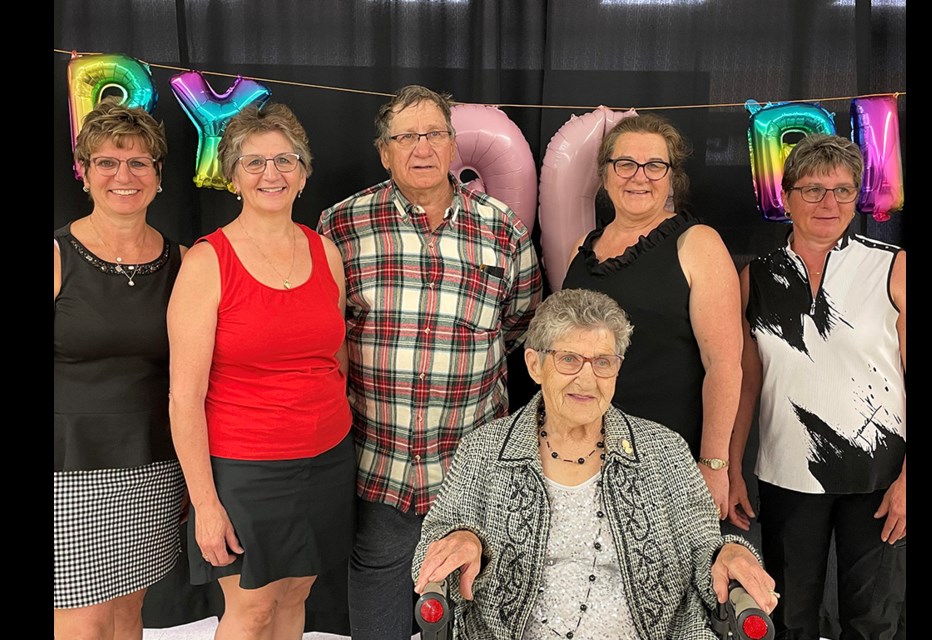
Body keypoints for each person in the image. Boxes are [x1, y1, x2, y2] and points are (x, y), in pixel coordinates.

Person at [414, 289, 777, 639]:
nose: (587, 379)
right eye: (569, 359)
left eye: (603, 362)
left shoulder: (664, 452)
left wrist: (731, 551)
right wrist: (461, 538)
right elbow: (429, 549)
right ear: (535, 365)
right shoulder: (485, 449)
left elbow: (703, 551)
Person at [318, 84, 543, 639]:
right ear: (383, 151)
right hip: (380, 470)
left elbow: (521, 326)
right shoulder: (342, 226)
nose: (422, 147)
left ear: (452, 144)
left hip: (473, 476)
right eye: (405, 136)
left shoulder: (504, 229)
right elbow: (324, 335)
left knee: (472, 620)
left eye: (434, 133)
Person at [168, 102, 354, 640]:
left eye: (284, 160)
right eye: (254, 162)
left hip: (326, 460)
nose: (271, 174)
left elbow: (333, 356)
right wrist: (205, 503)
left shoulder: (326, 252)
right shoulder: (209, 262)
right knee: (251, 610)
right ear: (233, 176)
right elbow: (184, 398)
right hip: (245, 470)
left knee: (296, 595)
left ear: (304, 172)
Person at [727, 134, 906, 640]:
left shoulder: (893, 267)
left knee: (874, 622)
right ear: (786, 197)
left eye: (843, 191)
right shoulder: (754, 277)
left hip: (880, 478)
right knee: (786, 618)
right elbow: (744, 384)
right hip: (787, 475)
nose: (829, 203)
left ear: (857, 198)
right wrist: (733, 468)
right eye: (813, 190)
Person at [563, 114, 742, 518]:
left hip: (665, 463)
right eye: (625, 164)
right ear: (605, 175)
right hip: (581, 459)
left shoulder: (698, 243)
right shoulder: (581, 248)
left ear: (672, 177)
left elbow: (724, 366)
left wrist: (714, 464)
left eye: (655, 165)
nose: (638, 177)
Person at [54, 97, 185, 639]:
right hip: (69, 468)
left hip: (155, 463)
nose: (123, 175)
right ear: (84, 174)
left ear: (158, 175)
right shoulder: (58, 255)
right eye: (106, 162)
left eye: (138, 162)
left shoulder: (182, 260)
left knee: (130, 615)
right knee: (81, 625)